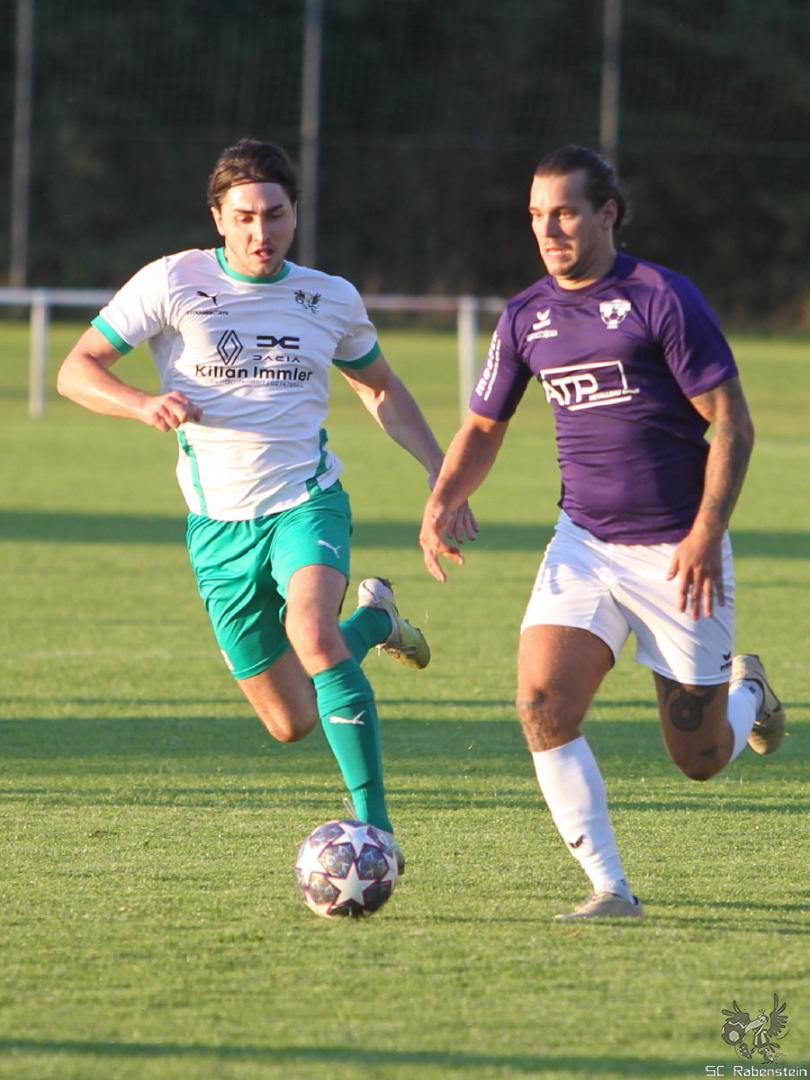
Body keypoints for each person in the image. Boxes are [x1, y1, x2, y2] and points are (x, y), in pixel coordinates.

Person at [57, 137, 475, 870]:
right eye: (245, 217)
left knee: (312, 633)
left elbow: (378, 386)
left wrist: (443, 475)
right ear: (218, 218)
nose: (261, 232)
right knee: (291, 722)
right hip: (217, 530)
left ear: (295, 214)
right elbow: (77, 368)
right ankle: (376, 621)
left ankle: (375, 832)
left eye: (275, 215)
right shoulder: (172, 280)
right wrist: (142, 402)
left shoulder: (329, 297)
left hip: (305, 503)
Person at [419, 145, 785, 918]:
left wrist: (705, 533)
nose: (548, 229)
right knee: (541, 704)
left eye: (564, 213)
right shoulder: (526, 315)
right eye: (536, 215)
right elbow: (483, 426)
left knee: (700, 757)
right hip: (583, 544)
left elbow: (732, 424)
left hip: (680, 552)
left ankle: (748, 691)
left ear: (607, 213)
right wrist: (442, 498)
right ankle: (610, 888)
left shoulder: (662, 298)